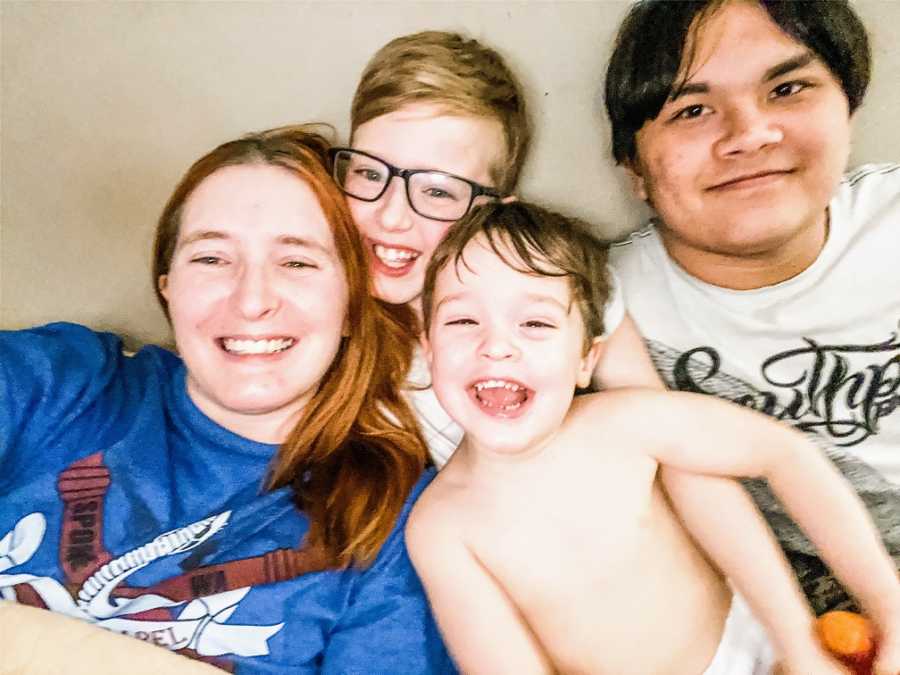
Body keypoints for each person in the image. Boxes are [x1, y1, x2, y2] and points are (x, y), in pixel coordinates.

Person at [0, 126, 453, 673]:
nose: (252, 299)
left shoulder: (398, 522)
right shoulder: (64, 382)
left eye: (297, 262)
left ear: (353, 306)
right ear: (167, 285)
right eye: (212, 259)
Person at [407, 200, 900, 675]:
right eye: (463, 320)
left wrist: (883, 604)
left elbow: (784, 452)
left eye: (535, 323)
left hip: (770, 648)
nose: (496, 346)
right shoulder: (442, 529)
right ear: (428, 352)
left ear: (586, 360)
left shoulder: (626, 424)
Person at [604, 0, 900, 612]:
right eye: (692, 110)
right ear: (633, 167)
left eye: (787, 88)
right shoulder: (596, 310)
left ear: (848, 107)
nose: (749, 134)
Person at [330, 30, 663, 468]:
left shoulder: (556, 278)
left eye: (438, 191)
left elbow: (663, 434)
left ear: (494, 212)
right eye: (370, 175)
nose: (392, 218)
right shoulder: (315, 303)